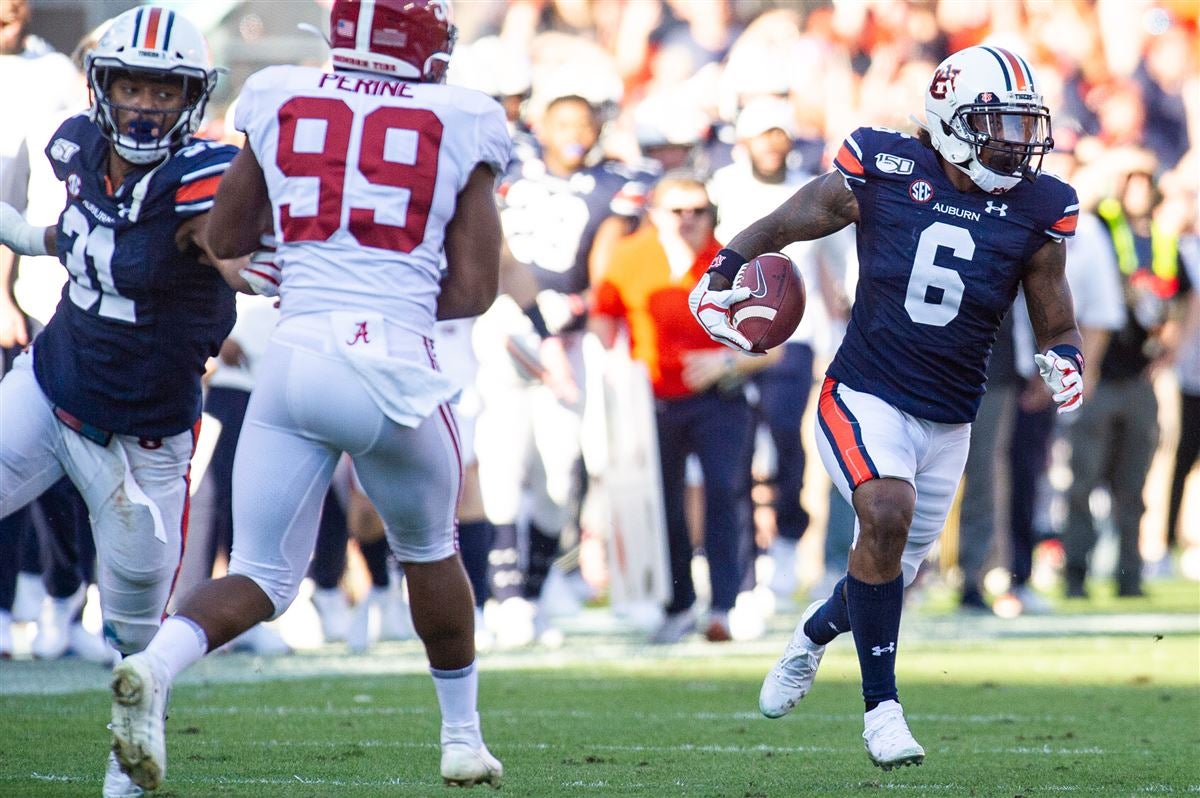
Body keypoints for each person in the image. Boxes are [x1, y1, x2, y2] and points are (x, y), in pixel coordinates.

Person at [107, 0, 510, 792]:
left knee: (261, 573)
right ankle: (461, 737)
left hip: (291, 357)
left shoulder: (283, 93)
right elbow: (473, 287)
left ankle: (155, 663)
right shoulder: (464, 115)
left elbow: (225, 239)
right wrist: (387, 291)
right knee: (430, 550)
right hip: (389, 361)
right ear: (419, 41)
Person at [690, 46, 1085, 769]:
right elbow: (792, 217)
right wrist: (723, 268)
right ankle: (883, 712)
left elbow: (1055, 317)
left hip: (950, 417)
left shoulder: (1040, 206)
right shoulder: (888, 167)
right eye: (998, 123)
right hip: (865, 394)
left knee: (887, 568)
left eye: (1027, 126)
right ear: (952, 120)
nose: (1018, 142)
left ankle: (811, 635)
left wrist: (1067, 357)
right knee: (884, 515)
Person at [0, 6, 235, 796]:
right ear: (103, 88)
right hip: (51, 383)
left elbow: (228, 247)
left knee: (137, 649)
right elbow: (66, 236)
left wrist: (254, 266)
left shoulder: (203, 181)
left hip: (141, 440)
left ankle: (124, 777)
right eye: (130, 86)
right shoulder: (76, 144)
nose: (143, 105)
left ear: (191, 99)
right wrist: (20, 238)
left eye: (163, 91)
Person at [592, 171, 778, 643]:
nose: (690, 220)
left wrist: (725, 361)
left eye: (699, 210)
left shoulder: (732, 260)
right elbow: (604, 317)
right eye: (678, 210)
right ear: (655, 213)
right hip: (652, 399)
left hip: (720, 397)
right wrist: (614, 368)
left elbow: (772, 344)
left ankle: (726, 603)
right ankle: (677, 603)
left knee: (725, 491)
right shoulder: (631, 257)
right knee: (664, 504)